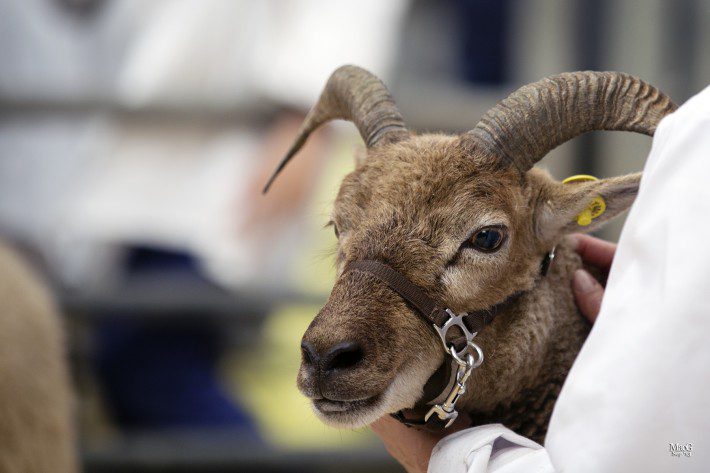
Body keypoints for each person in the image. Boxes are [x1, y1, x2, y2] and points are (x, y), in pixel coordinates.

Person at [371, 84, 710, 472]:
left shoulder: (700, 130)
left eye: (486, 238)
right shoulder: (698, 128)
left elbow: (644, 460)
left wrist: (440, 457)